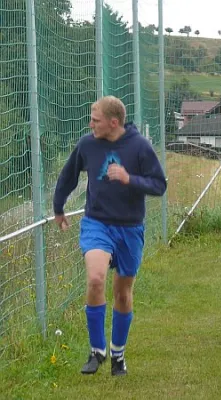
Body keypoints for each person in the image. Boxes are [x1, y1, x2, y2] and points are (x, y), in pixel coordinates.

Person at [53, 96, 167, 376]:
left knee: (123, 293)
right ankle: (97, 351)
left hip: (130, 228)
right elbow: (68, 176)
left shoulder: (139, 146)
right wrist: (58, 207)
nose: (90, 123)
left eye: (96, 119)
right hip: (97, 222)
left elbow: (159, 185)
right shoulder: (87, 144)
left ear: (113, 123)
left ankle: (118, 354)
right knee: (95, 279)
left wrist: (130, 179)